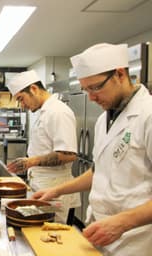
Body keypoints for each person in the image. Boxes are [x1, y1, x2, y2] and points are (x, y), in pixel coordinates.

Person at [32, 43, 152, 256]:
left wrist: (123, 223)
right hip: (99, 230)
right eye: (85, 89)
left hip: (136, 239)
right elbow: (98, 172)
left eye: (96, 87)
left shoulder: (148, 116)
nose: (91, 97)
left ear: (120, 74)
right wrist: (57, 190)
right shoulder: (104, 119)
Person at [6, 70, 80, 223]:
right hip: (42, 186)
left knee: (53, 236)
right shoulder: (44, 112)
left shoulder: (58, 112)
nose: (22, 105)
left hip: (56, 190)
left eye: (21, 99)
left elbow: (68, 154)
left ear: (33, 89)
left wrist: (31, 162)